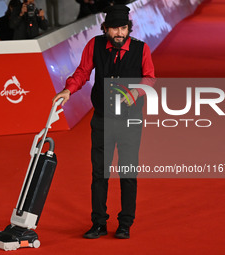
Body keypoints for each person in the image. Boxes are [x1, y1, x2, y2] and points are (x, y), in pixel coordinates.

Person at [52, 5, 155, 239]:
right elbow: (82, 72)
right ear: (105, 28)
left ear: (129, 28)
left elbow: (149, 78)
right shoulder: (94, 45)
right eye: (114, 29)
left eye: (123, 28)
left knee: (127, 172)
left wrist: (136, 93)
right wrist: (69, 90)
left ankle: (125, 223)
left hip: (130, 120)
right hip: (102, 119)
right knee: (100, 173)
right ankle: (98, 222)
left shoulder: (141, 49)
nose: (119, 33)